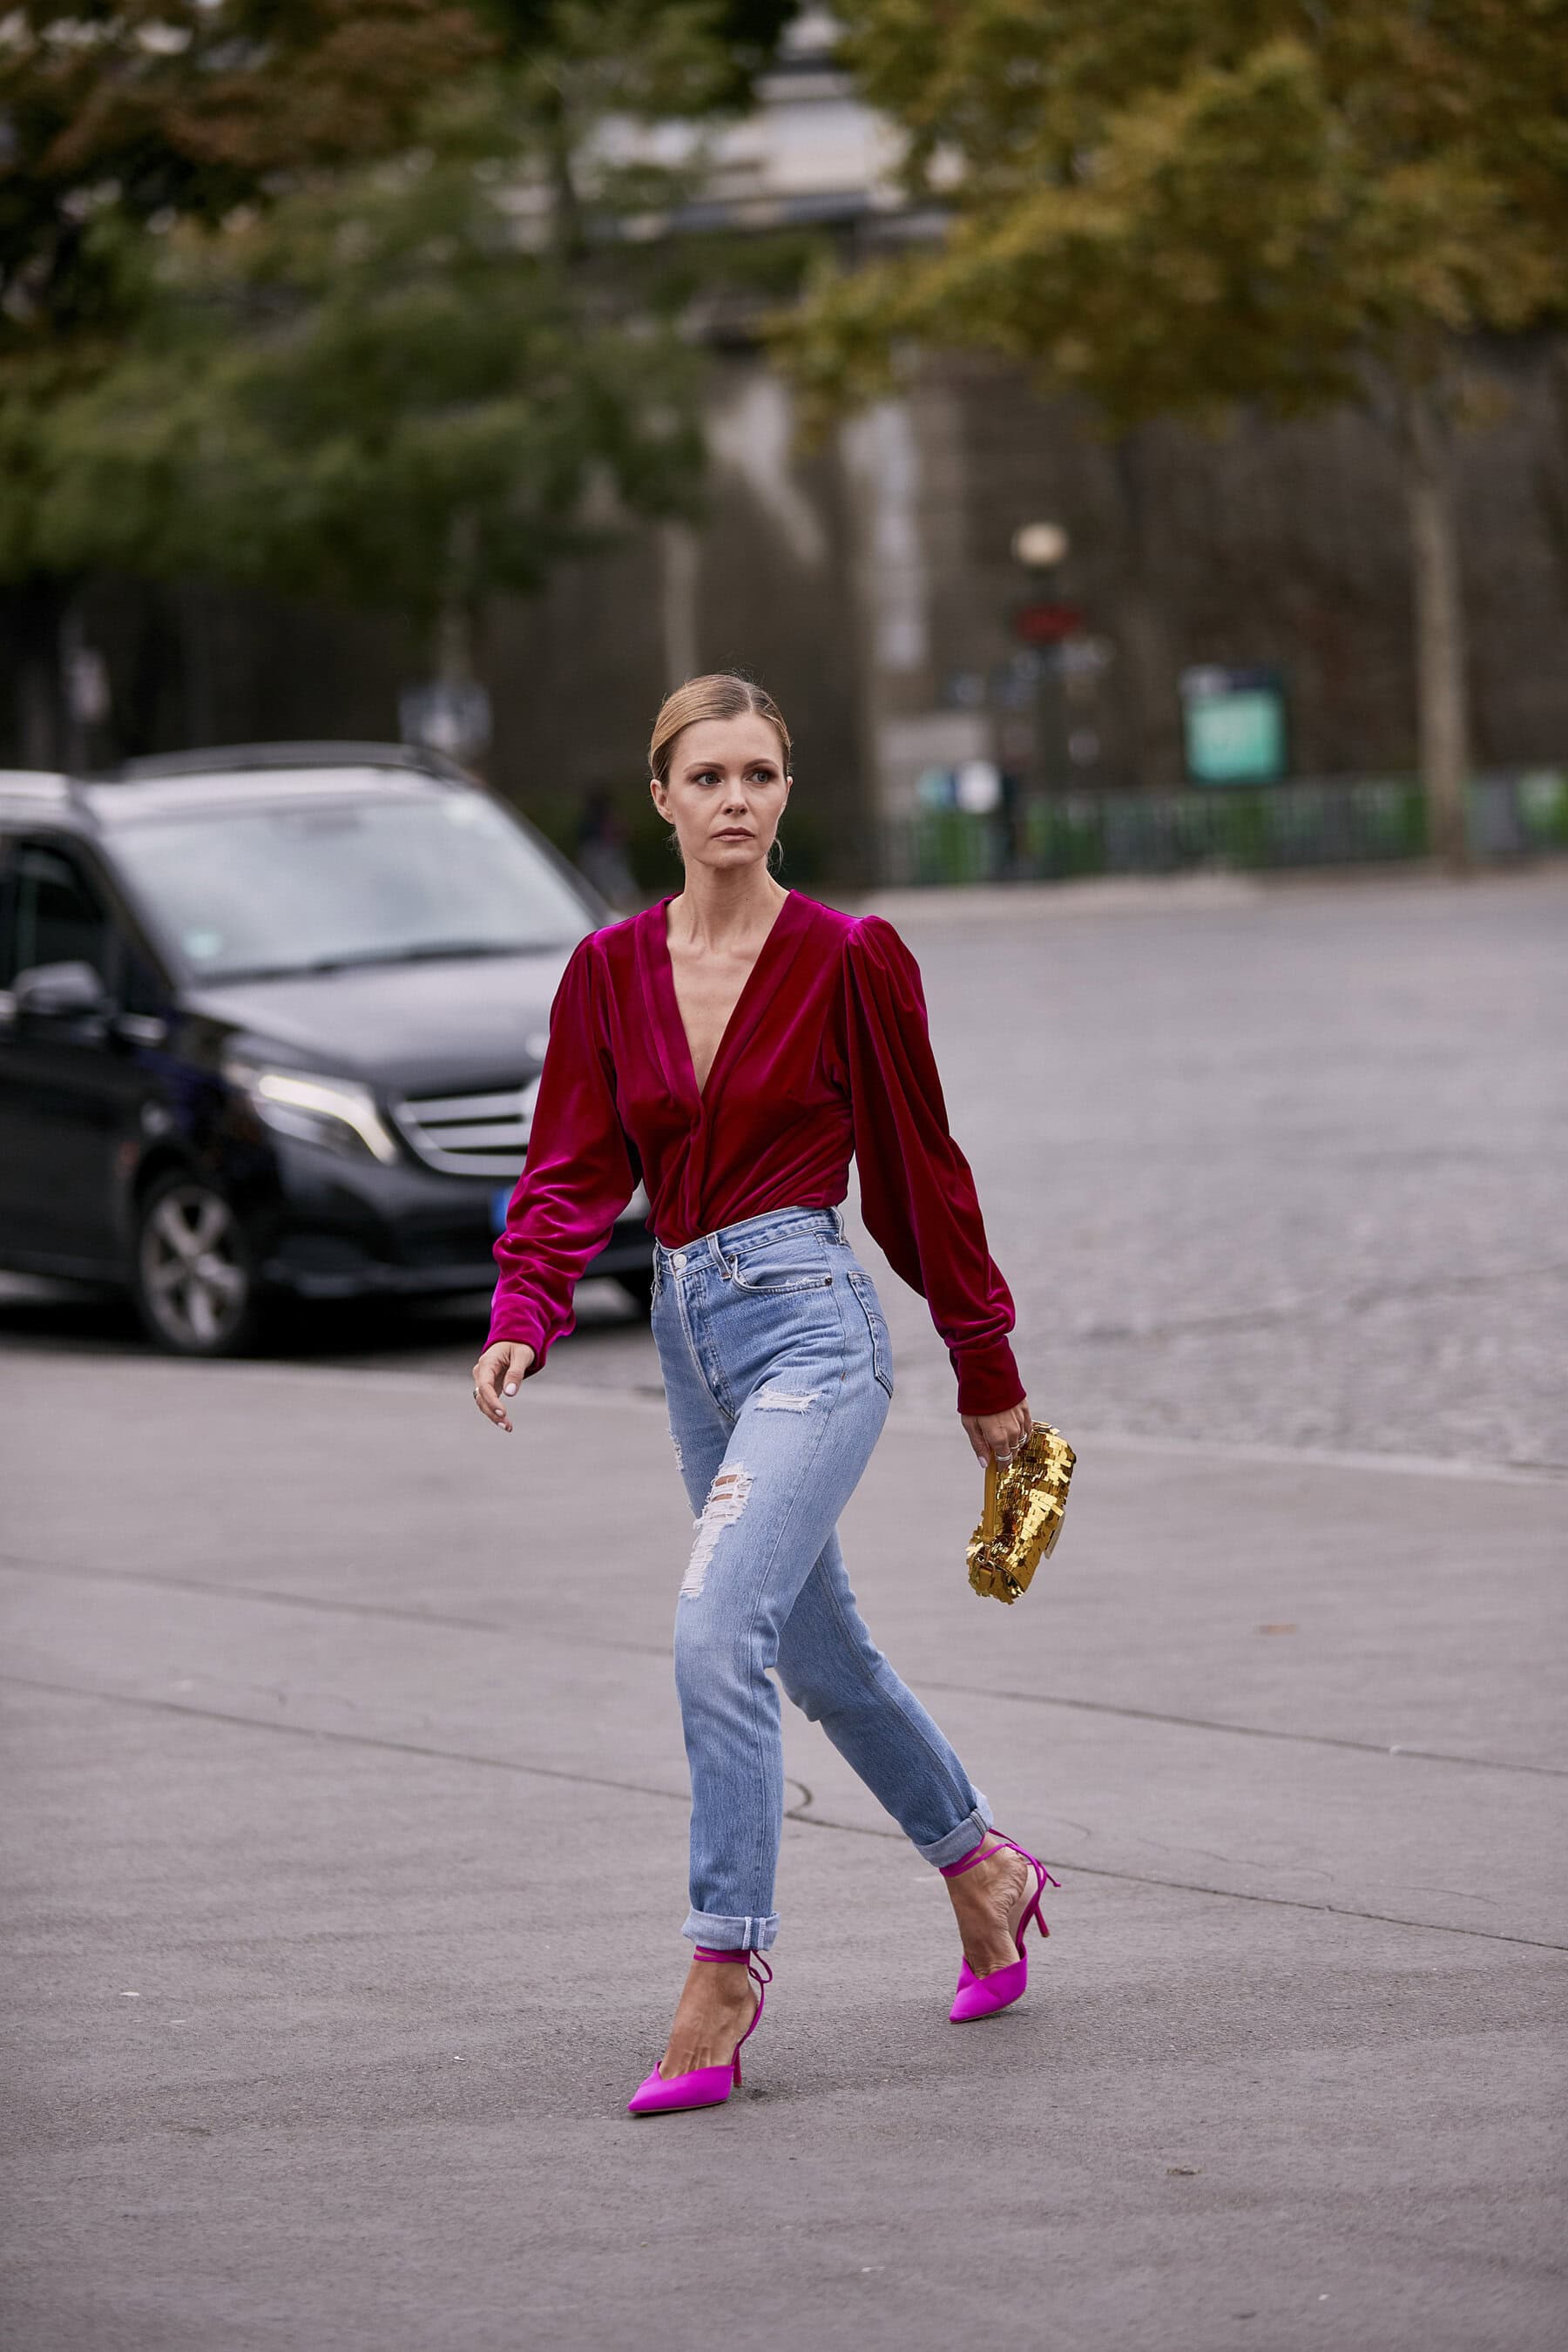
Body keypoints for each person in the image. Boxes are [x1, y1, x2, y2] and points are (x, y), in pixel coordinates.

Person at [471, 673, 1056, 2117]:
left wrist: (987, 1369)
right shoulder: (607, 969)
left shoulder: (852, 958)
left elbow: (925, 1175)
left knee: (713, 1627)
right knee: (817, 1656)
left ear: (787, 793)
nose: (738, 800)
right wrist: (525, 1307)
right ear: (659, 795)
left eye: (762, 775)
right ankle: (986, 1871)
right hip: (689, 1335)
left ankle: (725, 1960)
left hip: (814, 1329)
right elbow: (572, 1163)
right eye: (709, 777)